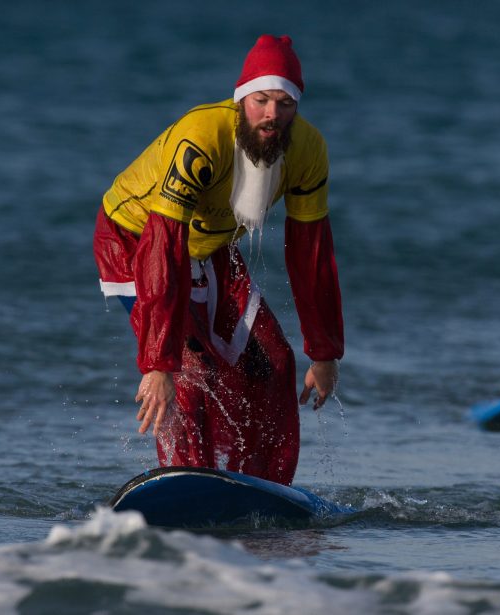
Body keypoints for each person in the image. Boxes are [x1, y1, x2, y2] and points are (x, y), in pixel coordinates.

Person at [93, 35, 344, 484]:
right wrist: (157, 361)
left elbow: (311, 254)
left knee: (275, 361)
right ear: (242, 98)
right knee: (188, 372)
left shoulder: (308, 151)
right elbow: (164, 246)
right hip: (137, 241)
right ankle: (187, 479)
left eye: (284, 103)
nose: (272, 114)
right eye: (261, 100)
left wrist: (324, 353)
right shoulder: (202, 138)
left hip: (210, 246)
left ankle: (259, 486)